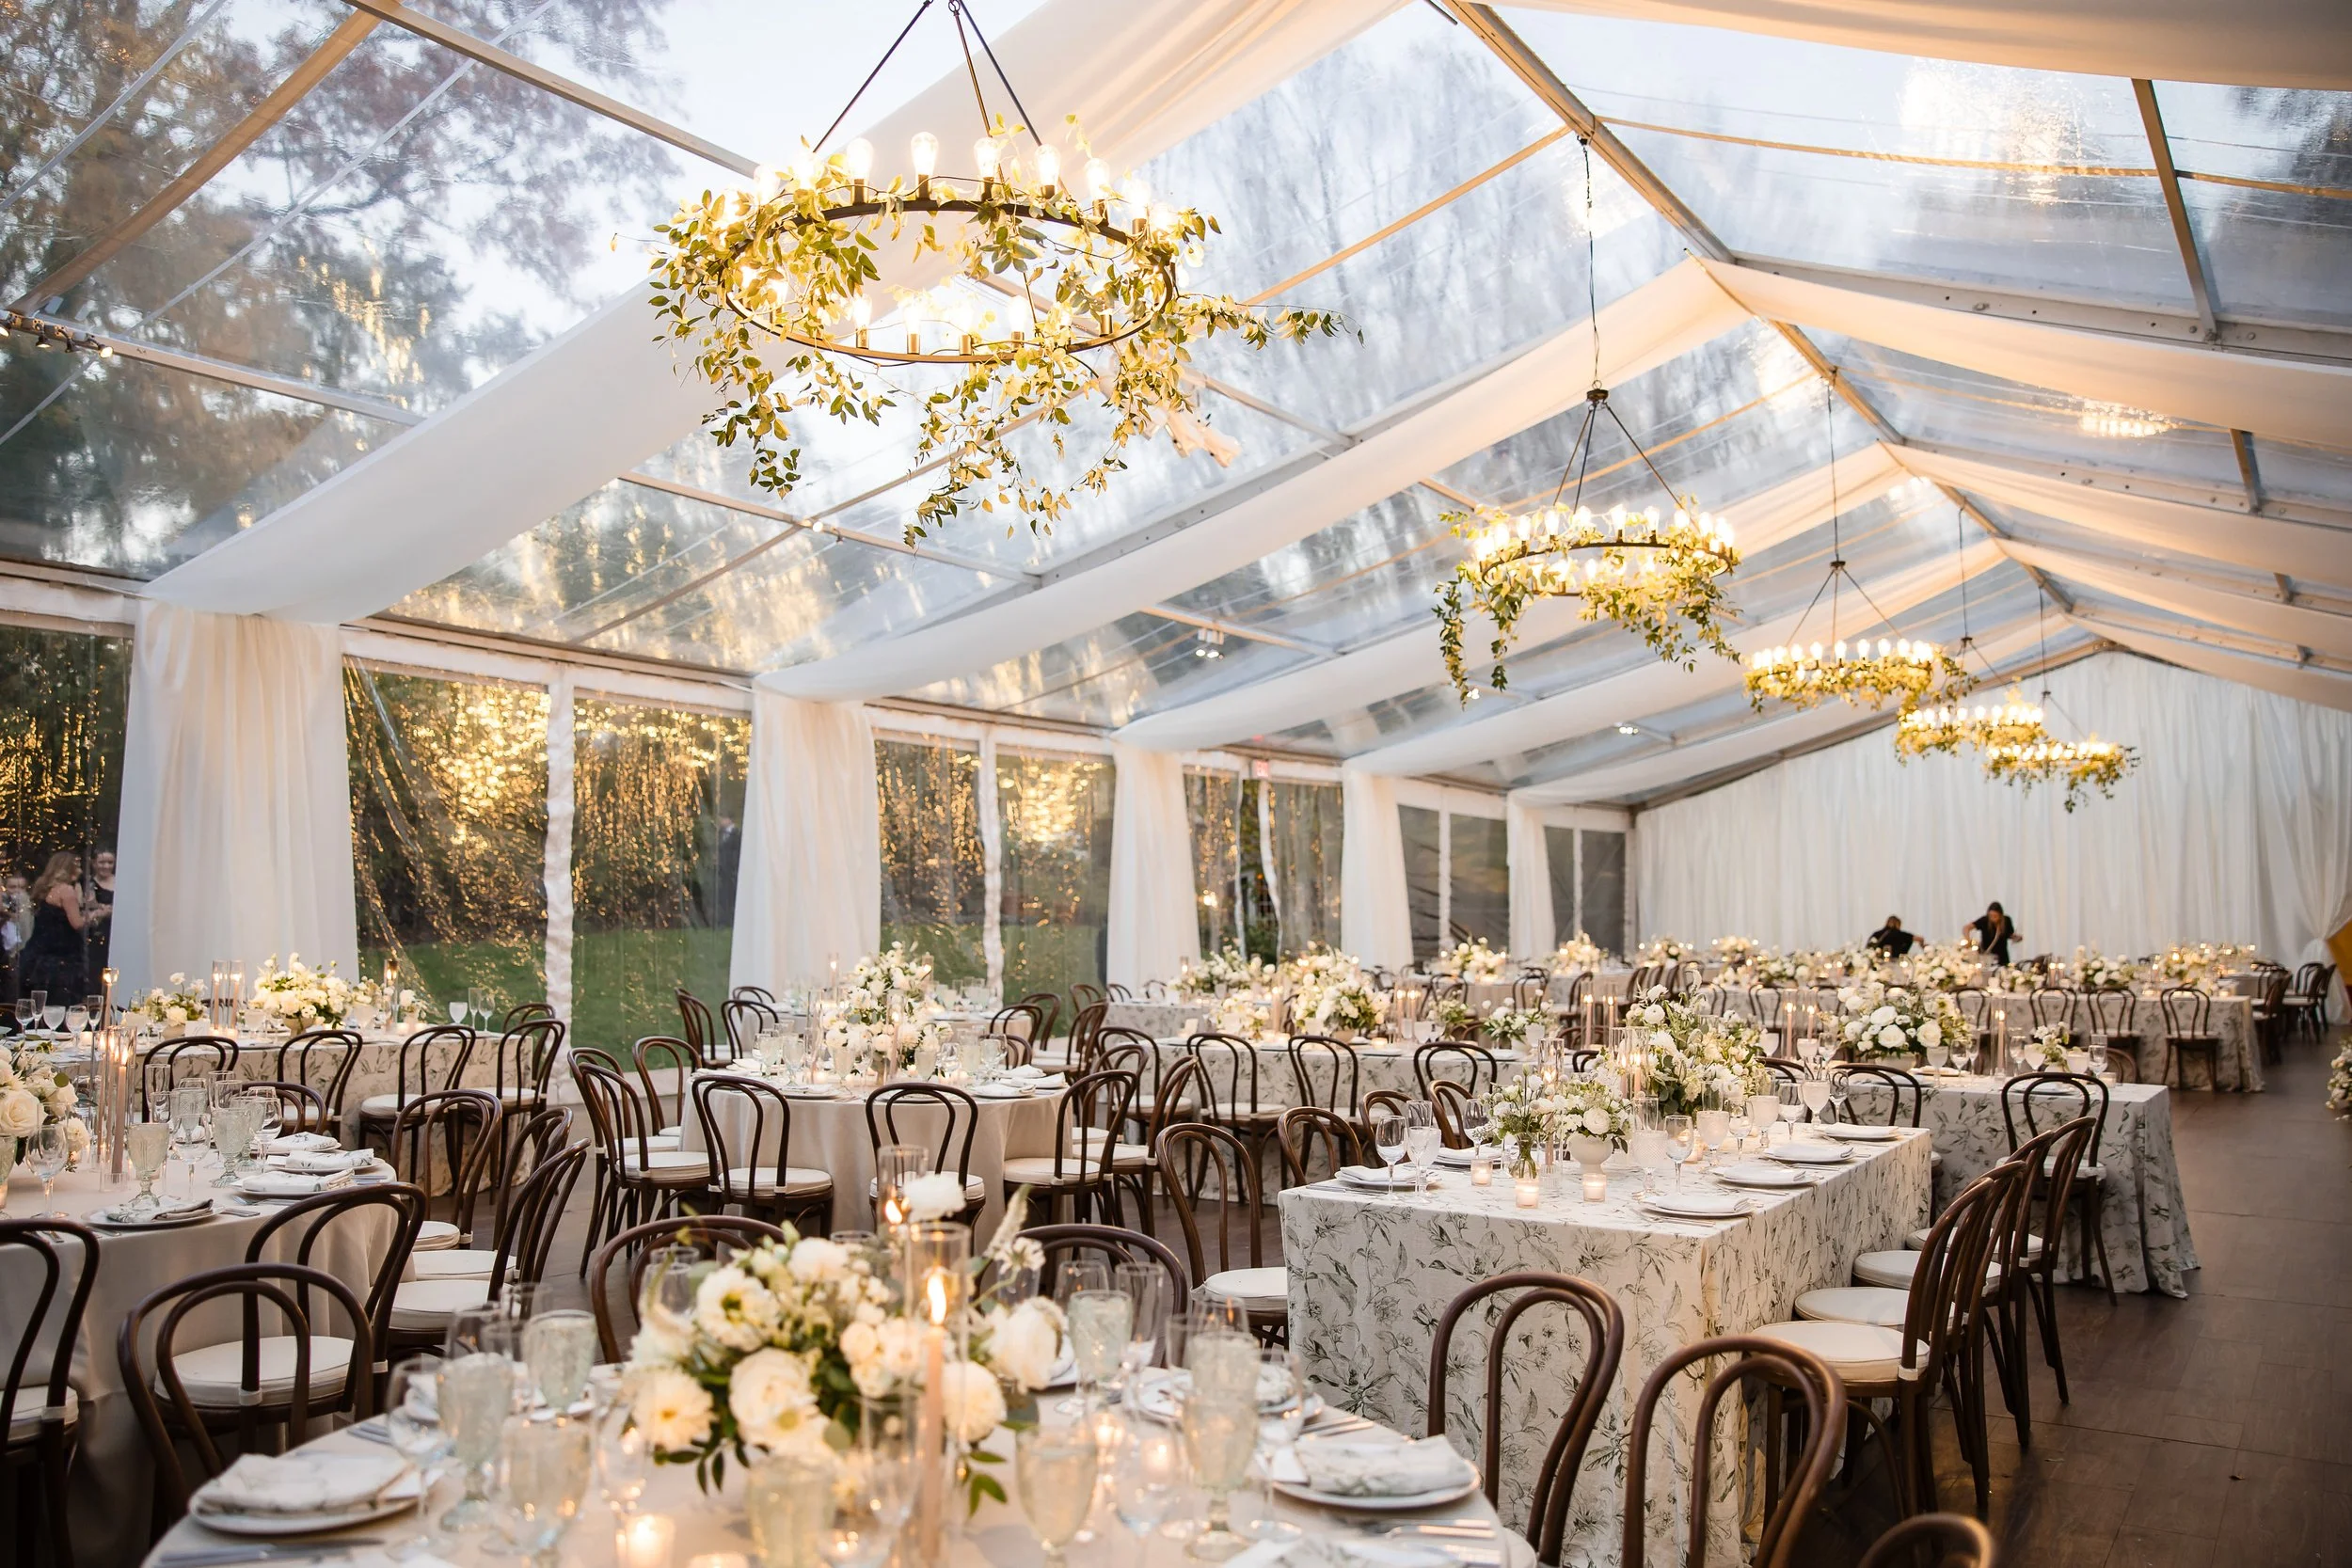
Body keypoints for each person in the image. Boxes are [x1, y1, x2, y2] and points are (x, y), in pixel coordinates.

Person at [17, 851, 90, 1002]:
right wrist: (95, 915)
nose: (80, 871)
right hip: (61, 957)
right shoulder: (66, 891)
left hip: (38, 953)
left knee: (38, 1002)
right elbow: (77, 923)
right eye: (77, 866)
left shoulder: (44, 889)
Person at [85, 848, 115, 974]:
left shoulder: (122, 881)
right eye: (102, 862)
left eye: (110, 862)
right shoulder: (89, 884)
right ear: (94, 863)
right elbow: (88, 907)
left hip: (116, 931)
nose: (106, 866)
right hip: (97, 934)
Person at [1963, 901, 2018, 966]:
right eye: (1991, 916)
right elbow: (1966, 928)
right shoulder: (1985, 920)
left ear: (2000, 915)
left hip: (2002, 957)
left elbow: (2009, 934)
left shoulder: (2007, 920)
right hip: (1987, 957)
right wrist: (1968, 940)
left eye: (1995, 916)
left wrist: (2016, 938)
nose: (1993, 918)